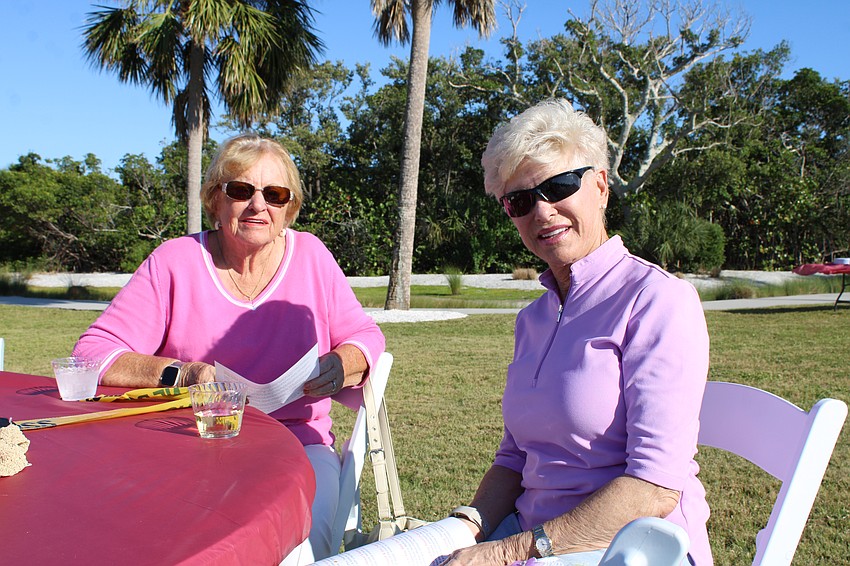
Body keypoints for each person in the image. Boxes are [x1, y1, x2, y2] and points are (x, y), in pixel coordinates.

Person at [73, 133, 385, 564]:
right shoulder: (174, 261)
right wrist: (184, 374)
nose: (259, 205)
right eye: (241, 190)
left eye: (275, 194)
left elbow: (365, 335)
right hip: (191, 447)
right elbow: (92, 352)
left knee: (295, 546)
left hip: (300, 446)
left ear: (288, 208)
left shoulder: (312, 256)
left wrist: (342, 361)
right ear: (215, 200)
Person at [441, 99, 711, 565]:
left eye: (560, 185)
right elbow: (514, 459)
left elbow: (655, 486)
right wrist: (465, 525)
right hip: (531, 538)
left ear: (601, 187)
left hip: (630, 547)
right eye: (520, 200)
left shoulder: (658, 300)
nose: (542, 212)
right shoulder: (533, 319)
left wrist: (505, 553)